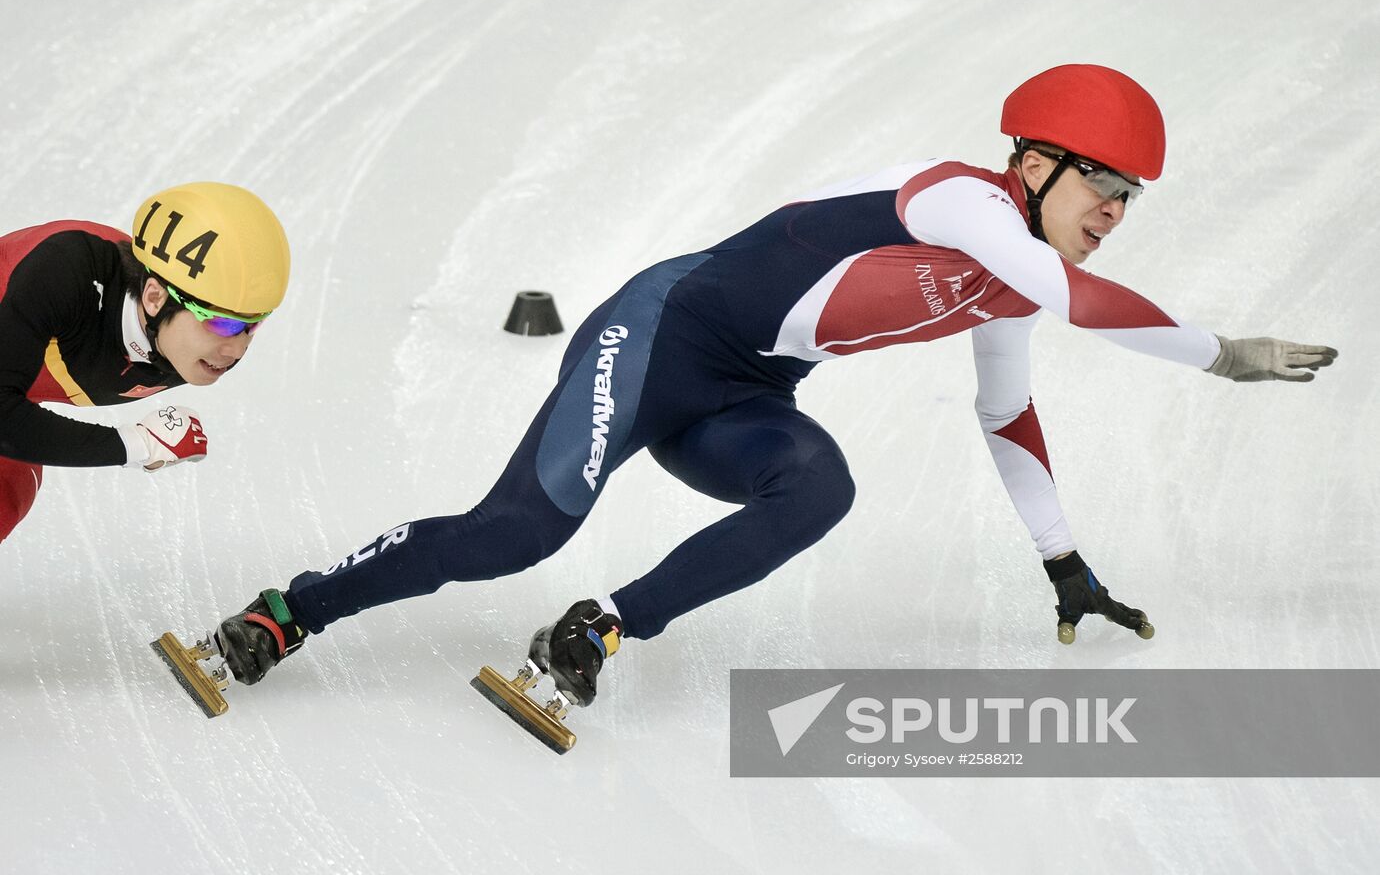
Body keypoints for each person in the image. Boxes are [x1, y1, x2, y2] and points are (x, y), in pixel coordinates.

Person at [210, 65, 1336, 712]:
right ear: (1034, 165)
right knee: (515, 531)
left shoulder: (1012, 283)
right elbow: (1088, 303)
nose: (1115, 212)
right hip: (655, 336)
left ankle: (597, 634)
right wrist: (1224, 353)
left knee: (818, 488)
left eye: (1131, 197)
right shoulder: (961, 201)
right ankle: (290, 609)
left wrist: (1065, 562)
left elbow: (1005, 413)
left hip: (745, 396)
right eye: (1103, 183)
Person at [0, 183, 291, 542]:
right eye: (221, 322)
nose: (236, 350)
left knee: (10, 486)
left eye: (253, 325)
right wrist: (139, 444)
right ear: (154, 297)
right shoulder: (64, 273)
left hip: (14, 387)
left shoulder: (190, 348)